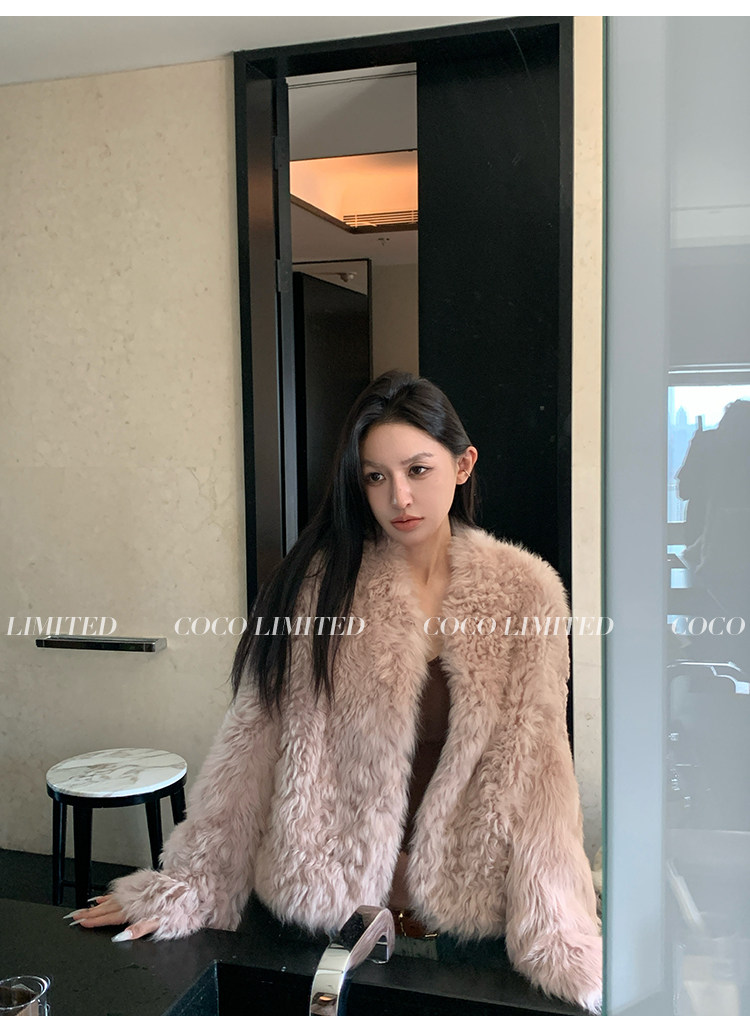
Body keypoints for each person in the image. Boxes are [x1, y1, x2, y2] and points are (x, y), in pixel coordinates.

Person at [66, 371, 602, 1012]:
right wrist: (191, 882)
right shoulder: (319, 590)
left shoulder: (527, 594)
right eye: (376, 477)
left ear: (463, 466)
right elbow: (250, 745)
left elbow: (542, 768)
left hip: (471, 925)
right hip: (325, 915)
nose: (399, 497)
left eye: (418, 469)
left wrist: (559, 920)